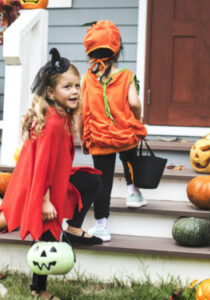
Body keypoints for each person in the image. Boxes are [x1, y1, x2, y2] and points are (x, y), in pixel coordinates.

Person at [0, 48, 103, 300]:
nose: (75, 91)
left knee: (92, 180)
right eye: (67, 87)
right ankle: (39, 290)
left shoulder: (60, 115)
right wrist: (45, 200)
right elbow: (43, 164)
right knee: (45, 239)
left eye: (77, 86)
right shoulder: (53, 122)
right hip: (42, 186)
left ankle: (74, 229)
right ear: (50, 92)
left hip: (56, 181)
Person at [79, 20, 148, 242]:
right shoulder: (126, 76)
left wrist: (83, 137)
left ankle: (102, 225)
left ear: (90, 51)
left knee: (103, 180)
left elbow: (82, 111)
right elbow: (135, 103)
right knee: (130, 160)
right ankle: (133, 193)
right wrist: (137, 120)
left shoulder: (86, 79)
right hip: (125, 134)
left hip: (99, 138)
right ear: (117, 50)